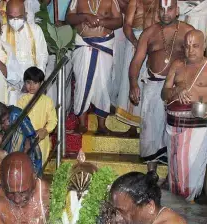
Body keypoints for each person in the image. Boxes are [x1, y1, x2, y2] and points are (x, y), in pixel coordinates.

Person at [161, 30, 207, 202]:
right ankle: (177, 200)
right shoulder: (177, 65)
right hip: (173, 123)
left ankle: (189, 199)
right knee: (175, 165)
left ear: (204, 46)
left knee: (191, 166)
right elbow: (164, 93)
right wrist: (177, 90)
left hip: (196, 125)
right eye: (187, 46)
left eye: (195, 46)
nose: (190, 50)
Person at [129, 0, 193, 173]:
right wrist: (133, 83)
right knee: (150, 129)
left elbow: (197, 63)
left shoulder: (189, 32)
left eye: (170, 9)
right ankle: (152, 173)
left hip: (178, 90)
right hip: (153, 86)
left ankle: (173, 175)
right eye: (162, 9)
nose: (166, 13)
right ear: (157, 12)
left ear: (177, 10)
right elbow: (136, 61)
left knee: (175, 132)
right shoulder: (149, 33)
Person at [66, 0, 123, 134]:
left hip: (105, 44)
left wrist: (100, 21)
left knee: (104, 84)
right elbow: (69, 18)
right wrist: (85, 17)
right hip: (83, 44)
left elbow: (119, 21)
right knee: (82, 83)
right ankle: (81, 123)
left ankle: (102, 125)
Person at [114, 0, 158, 137]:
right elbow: (127, 25)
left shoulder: (161, 2)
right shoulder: (135, 1)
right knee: (131, 82)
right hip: (134, 41)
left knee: (149, 85)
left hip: (153, 43)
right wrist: (135, 42)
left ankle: (147, 127)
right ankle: (131, 127)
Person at [2, 0, 49, 106]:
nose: (15, 20)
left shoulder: (36, 30)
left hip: (32, 86)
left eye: (19, 17)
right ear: (6, 15)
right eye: (11, 17)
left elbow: (42, 56)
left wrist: (36, 81)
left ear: (25, 15)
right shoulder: (1, 32)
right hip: (10, 87)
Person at [0, 100, 43, 176]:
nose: (7, 123)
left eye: (7, 118)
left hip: (24, 155)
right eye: (3, 122)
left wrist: (26, 152)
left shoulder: (16, 114)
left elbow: (32, 137)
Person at [17, 67, 57, 166]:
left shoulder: (47, 101)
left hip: (41, 139)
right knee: (26, 166)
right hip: (25, 139)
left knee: (39, 166)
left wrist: (45, 130)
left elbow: (53, 121)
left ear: (41, 83)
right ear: (24, 83)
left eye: (35, 83)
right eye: (28, 82)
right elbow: (18, 120)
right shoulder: (21, 100)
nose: (31, 86)